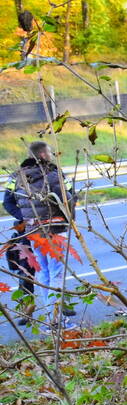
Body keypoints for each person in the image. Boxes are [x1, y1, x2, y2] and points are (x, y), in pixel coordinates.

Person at [2, 141, 77, 329]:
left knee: (43, 273)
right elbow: (69, 198)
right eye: (50, 152)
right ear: (43, 155)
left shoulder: (16, 177)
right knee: (57, 274)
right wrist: (70, 219)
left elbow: (7, 202)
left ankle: (53, 317)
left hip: (33, 232)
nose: (51, 155)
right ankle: (58, 320)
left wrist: (27, 219)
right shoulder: (54, 174)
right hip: (55, 229)